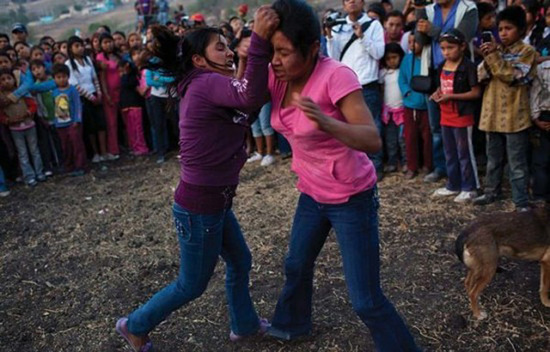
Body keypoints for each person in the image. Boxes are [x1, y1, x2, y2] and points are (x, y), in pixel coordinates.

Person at [115, 8, 280, 351]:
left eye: (227, 45)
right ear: (199, 60)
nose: (229, 51)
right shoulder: (206, 84)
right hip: (201, 205)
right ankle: (135, 325)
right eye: (220, 47)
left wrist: (252, 60)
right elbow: (250, 97)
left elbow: (249, 100)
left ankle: (245, 325)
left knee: (240, 261)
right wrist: (260, 41)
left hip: (214, 201)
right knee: (192, 284)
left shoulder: (209, 83)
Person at [266, 1, 419, 350]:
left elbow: (371, 139)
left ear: (313, 49)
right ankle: (292, 324)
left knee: (365, 299)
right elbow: (241, 93)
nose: (275, 60)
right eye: (271, 50)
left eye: (284, 52)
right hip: (311, 191)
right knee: (296, 263)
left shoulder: (336, 75)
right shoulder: (277, 75)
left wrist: (327, 122)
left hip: (351, 197)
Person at [473, 6, 536, 212]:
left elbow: (512, 76)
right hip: (492, 114)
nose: (503, 33)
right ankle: (492, 191)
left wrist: (493, 58)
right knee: (494, 158)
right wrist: (488, 56)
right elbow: (481, 76)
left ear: (521, 30)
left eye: (508, 28)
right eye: (500, 29)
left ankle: (520, 201)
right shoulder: (496, 50)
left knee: (517, 163)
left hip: (514, 116)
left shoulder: (527, 52)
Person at [415, 0, 478, 183]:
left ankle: (466, 177)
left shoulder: (468, 8)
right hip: (435, 71)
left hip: (460, 74)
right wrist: (419, 12)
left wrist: (432, 30)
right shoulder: (428, 9)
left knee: (461, 128)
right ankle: (442, 169)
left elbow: (462, 38)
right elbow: (420, 41)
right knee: (437, 126)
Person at [326, 0, 386, 180]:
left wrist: (362, 37)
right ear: (344, 5)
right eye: (347, 0)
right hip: (346, 86)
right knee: (348, 127)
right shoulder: (339, 26)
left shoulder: (374, 25)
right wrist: (329, 36)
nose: (352, 2)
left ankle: (375, 167)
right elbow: (334, 58)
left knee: (372, 125)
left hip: (367, 83)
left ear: (363, 3)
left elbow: (379, 53)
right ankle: (355, 167)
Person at [429, 29, 481, 203]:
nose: (446, 52)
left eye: (450, 48)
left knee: (464, 153)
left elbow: (475, 92)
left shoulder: (468, 67)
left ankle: (470, 187)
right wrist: (437, 93)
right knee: (449, 152)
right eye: (443, 48)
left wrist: (451, 97)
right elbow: (442, 87)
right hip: (445, 115)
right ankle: (453, 184)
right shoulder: (441, 66)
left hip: (461, 115)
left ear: (462, 46)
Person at [66, 36, 111, 163]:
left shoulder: (87, 60)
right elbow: (75, 85)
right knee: (90, 127)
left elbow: (94, 77)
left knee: (101, 124)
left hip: (95, 94)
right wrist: (91, 97)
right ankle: (96, 153)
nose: (80, 48)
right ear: (71, 48)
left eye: (81, 45)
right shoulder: (69, 64)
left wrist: (99, 93)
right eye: (76, 46)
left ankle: (104, 152)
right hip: (83, 98)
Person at [0, 68, 45, 186]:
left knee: (34, 150)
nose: (6, 81)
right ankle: (29, 176)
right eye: (3, 80)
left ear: (14, 80)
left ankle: (39, 172)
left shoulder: (22, 91)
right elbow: (2, 116)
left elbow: (32, 105)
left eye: (9, 78)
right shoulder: (2, 99)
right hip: (15, 129)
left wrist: (28, 113)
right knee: (22, 153)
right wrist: (9, 120)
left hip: (29, 124)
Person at [50, 64, 87, 176]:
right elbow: (54, 107)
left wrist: (77, 120)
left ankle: (80, 165)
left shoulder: (72, 90)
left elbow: (77, 105)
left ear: (68, 77)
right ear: (54, 78)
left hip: (73, 123)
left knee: (76, 144)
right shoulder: (54, 92)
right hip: (61, 124)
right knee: (65, 146)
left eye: (64, 76)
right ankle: (69, 165)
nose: (62, 79)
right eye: (58, 77)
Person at [379, 42, 406, 173]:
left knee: (403, 139)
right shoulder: (383, 73)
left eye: (395, 57)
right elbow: (381, 89)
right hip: (388, 111)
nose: (392, 61)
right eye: (388, 58)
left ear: (400, 56)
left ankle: (405, 161)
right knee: (390, 139)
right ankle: (392, 162)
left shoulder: (403, 72)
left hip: (402, 110)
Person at [96, 33, 122, 159]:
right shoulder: (100, 58)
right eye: (105, 42)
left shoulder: (117, 55)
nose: (108, 44)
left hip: (120, 91)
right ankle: (113, 149)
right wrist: (106, 95)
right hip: (109, 93)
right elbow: (102, 79)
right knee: (111, 123)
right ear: (101, 45)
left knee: (122, 120)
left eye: (110, 41)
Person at [117, 59, 149, 156]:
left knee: (137, 128)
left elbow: (131, 85)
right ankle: (134, 146)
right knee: (131, 128)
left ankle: (141, 147)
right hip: (126, 105)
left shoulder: (132, 77)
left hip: (135, 104)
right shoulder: (125, 77)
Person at [530, 57, 550, 203]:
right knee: (542, 159)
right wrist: (536, 119)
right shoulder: (543, 68)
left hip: (544, 116)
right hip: (545, 117)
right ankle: (540, 195)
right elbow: (535, 94)